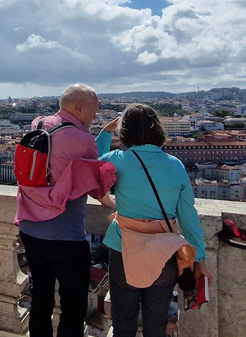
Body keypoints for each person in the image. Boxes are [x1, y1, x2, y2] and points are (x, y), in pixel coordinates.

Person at [97, 103, 210, 337]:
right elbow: (188, 216)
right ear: (157, 128)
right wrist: (198, 258)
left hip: (124, 249)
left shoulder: (116, 160)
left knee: (123, 322)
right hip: (164, 251)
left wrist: (106, 132)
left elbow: (92, 165)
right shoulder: (175, 165)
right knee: (157, 324)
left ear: (125, 131)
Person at [16, 84, 114, 337]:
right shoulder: (82, 140)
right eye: (94, 110)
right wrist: (113, 206)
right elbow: (94, 177)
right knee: (74, 303)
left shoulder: (38, 123)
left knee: (41, 296)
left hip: (29, 227)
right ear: (80, 107)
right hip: (64, 236)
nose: (95, 115)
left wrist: (102, 133)